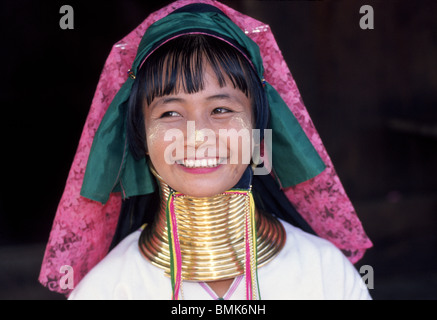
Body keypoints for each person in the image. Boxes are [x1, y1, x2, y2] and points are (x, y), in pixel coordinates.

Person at [39, 0, 373, 300]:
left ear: (259, 131)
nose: (197, 136)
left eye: (221, 110)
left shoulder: (325, 275)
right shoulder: (108, 290)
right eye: (170, 113)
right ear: (140, 136)